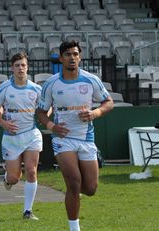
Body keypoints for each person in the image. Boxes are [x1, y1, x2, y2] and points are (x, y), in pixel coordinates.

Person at [36, 40, 114, 231]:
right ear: (61, 58)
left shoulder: (91, 80)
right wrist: (51, 125)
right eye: (68, 54)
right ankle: (74, 228)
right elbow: (40, 112)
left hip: (86, 138)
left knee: (90, 189)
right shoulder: (51, 84)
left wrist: (95, 113)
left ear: (80, 57)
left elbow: (109, 102)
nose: (72, 57)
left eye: (75, 54)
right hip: (63, 139)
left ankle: (77, 194)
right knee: (73, 183)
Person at [0, 52, 42, 220]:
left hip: (31, 135)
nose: (20, 68)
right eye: (17, 65)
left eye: (23, 65)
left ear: (27, 67)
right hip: (11, 137)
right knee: (14, 178)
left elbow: (46, 108)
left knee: (32, 172)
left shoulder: (36, 89)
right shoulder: (4, 88)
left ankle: (27, 211)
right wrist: (3, 123)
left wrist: (46, 115)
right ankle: (7, 177)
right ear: (12, 68)